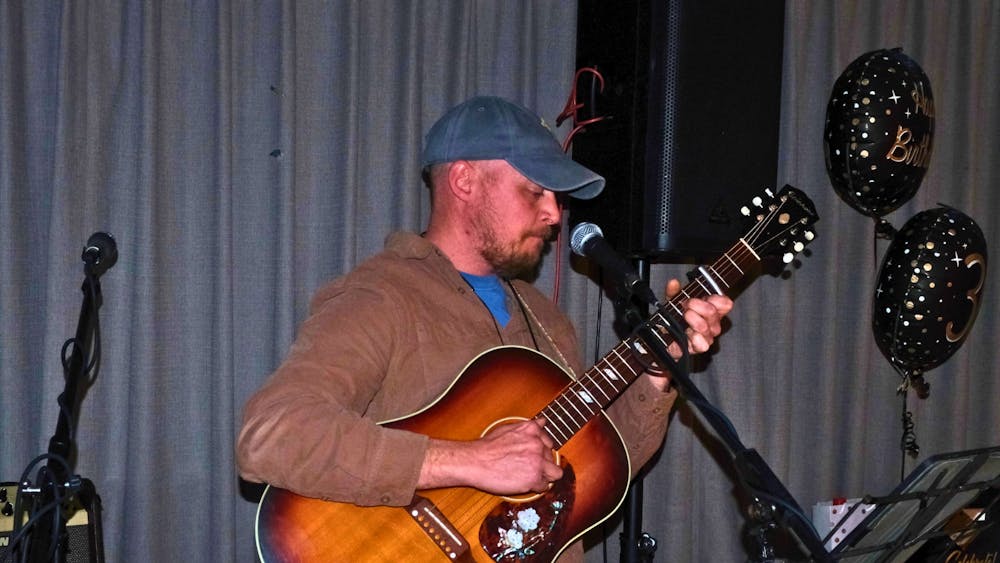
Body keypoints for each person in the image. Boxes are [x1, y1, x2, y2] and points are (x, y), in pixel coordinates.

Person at [236, 96, 733, 562]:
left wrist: (653, 373)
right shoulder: (382, 296)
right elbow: (271, 436)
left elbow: (600, 465)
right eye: (535, 190)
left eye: (556, 198)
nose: (554, 215)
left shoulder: (547, 320)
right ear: (465, 180)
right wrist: (467, 461)